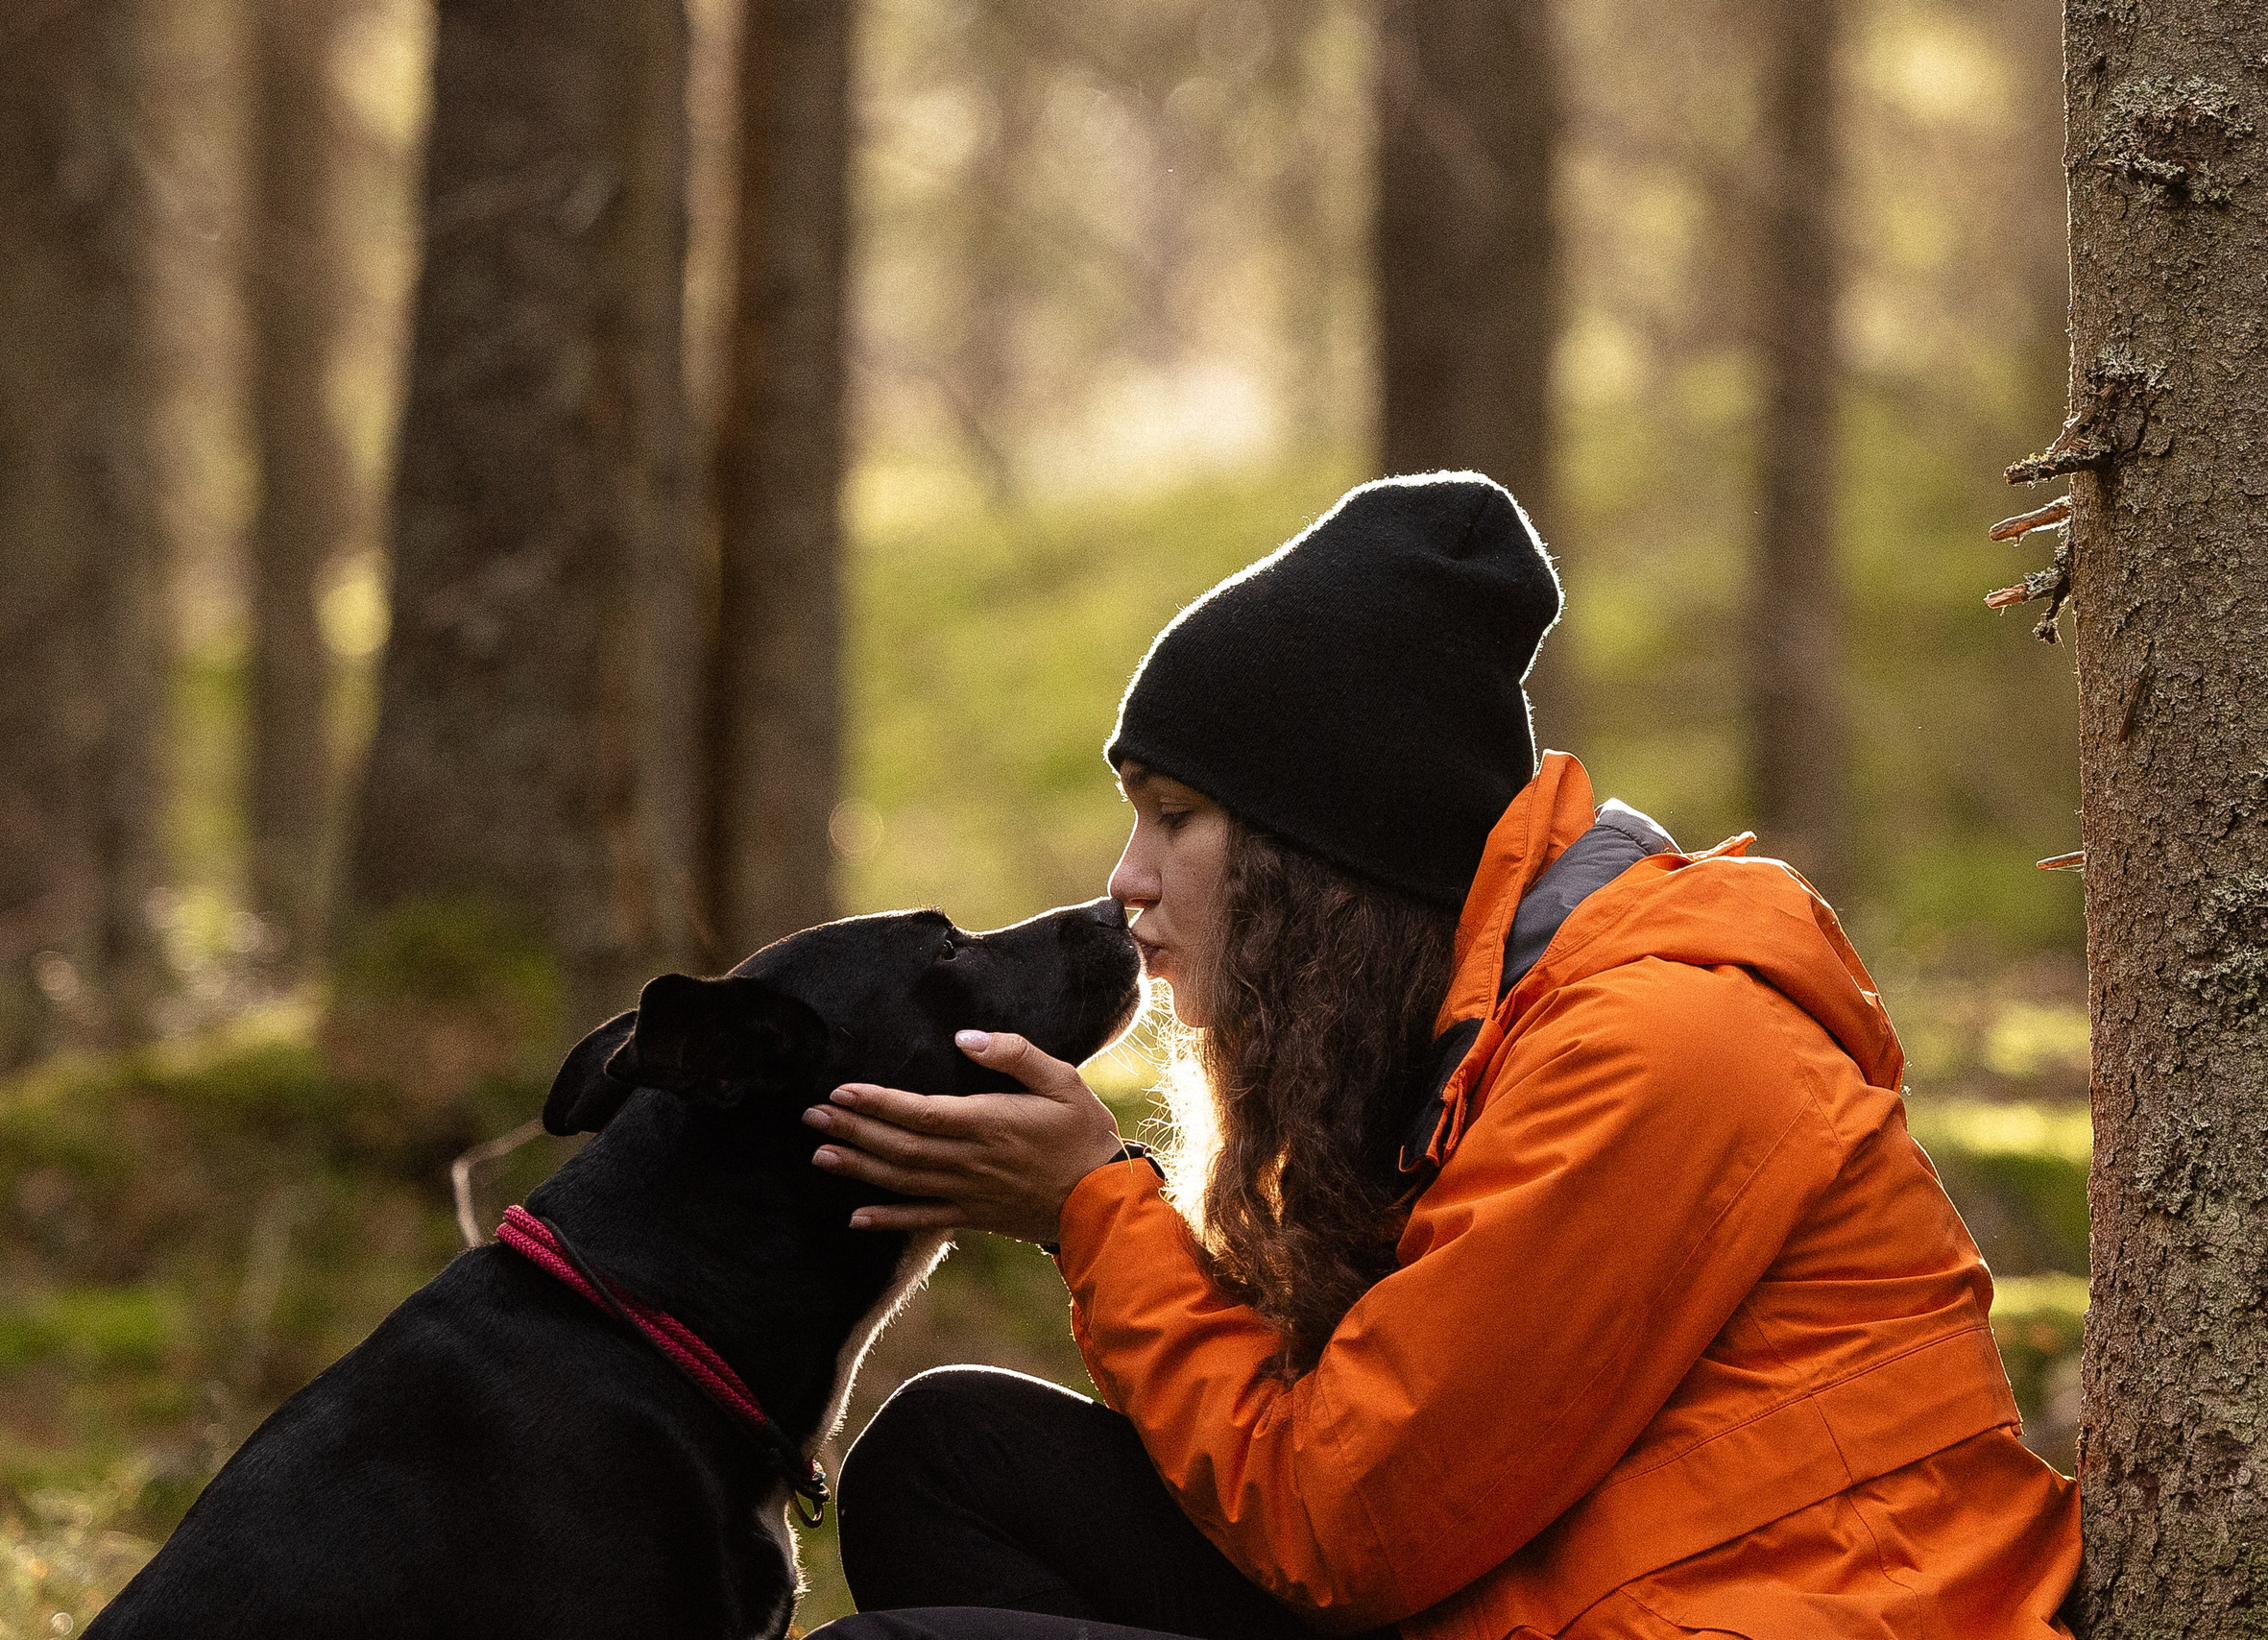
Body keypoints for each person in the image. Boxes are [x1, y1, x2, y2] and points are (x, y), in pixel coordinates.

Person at [799, 473, 2083, 1640]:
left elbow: (1344, 1522)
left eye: (1176, 821)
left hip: (1770, 1615)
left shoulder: (1656, 1048)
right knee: (945, 1458)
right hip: (1556, 1592)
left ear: (1324, 862)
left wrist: (1091, 1210)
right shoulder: (1460, 1037)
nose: (1126, 883)